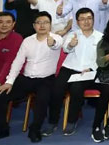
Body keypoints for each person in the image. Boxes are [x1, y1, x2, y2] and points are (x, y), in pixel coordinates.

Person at [0, 12, 64, 144]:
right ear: (34, 25)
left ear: (50, 25)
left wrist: (52, 43)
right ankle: (1, 129)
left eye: (45, 22)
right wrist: (9, 82)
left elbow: (57, 44)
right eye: (38, 22)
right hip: (26, 78)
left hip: (46, 79)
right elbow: (17, 62)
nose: (42, 25)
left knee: (42, 99)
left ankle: (35, 129)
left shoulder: (56, 38)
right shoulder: (27, 41)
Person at [43, 8, 103, 137]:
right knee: (56, 90)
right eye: (82, 19)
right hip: (69, 68)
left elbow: (102, 58)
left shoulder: (100, 37)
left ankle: (71, 121)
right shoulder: (72, 34)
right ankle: (52, 122)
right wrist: (71, 44)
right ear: (77, 21)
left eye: (89, 18)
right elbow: (65, 49)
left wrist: (92, 68)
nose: (86, 22)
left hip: (88, 71)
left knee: (76, 89)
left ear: (93, 20)